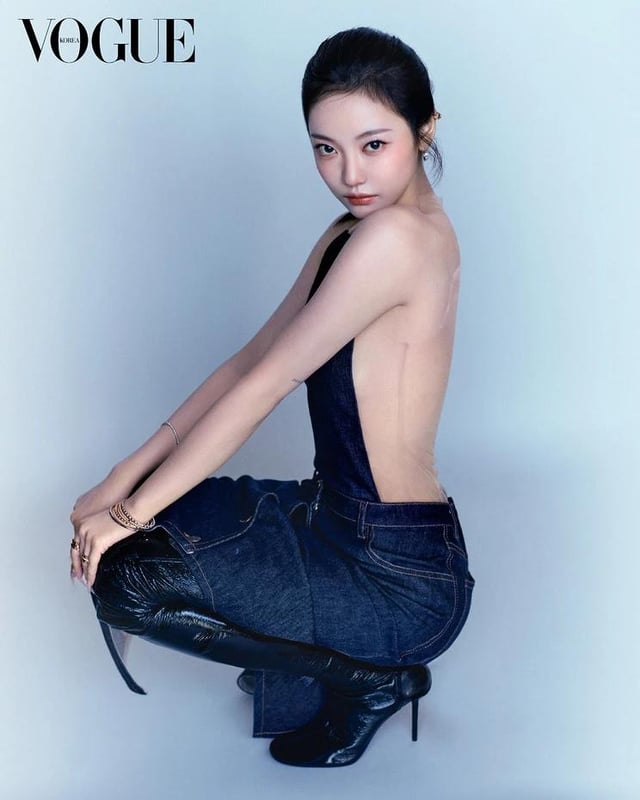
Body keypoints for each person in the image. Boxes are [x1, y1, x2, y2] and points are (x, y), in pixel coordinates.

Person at [69, 26, 475, 768]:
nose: (348, 173)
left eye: (373, 144)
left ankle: (369, 680)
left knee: (130, 579)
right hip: (334, 519)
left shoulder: (398, 240)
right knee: (153, 525)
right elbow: (249, 361)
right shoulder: (354, 229)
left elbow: (267, 386)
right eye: (325, 148)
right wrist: (122, 478)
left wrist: (128, 512)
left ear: (426, 129)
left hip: (394, 573)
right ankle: (311, 654)